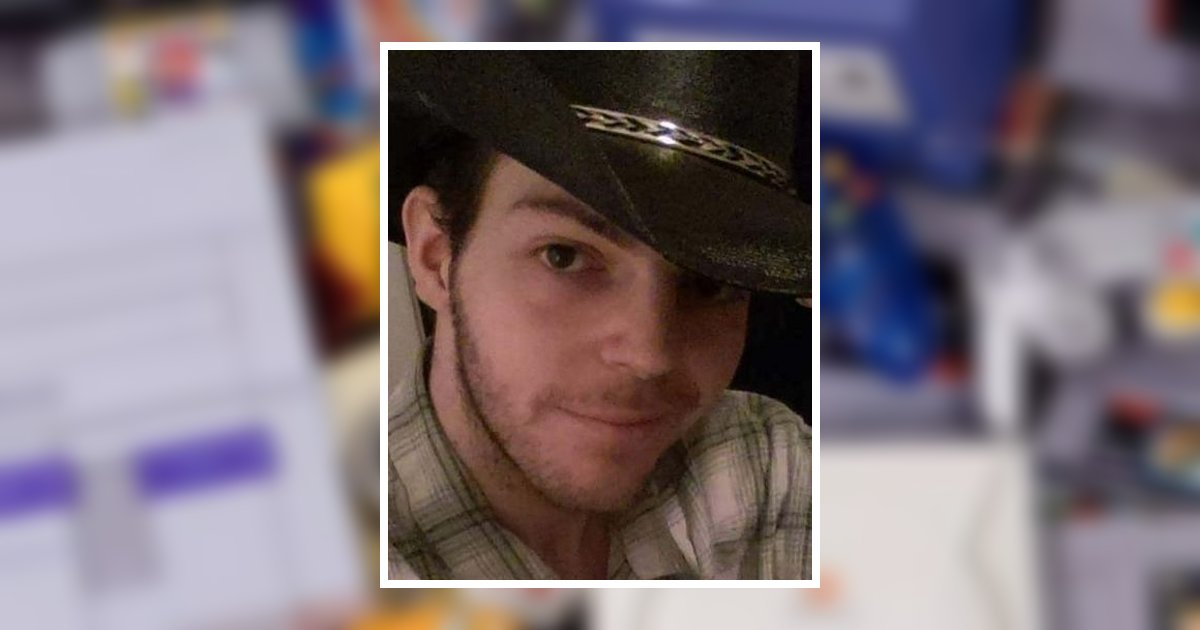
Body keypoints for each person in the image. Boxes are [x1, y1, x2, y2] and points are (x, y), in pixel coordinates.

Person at [387, 50, 813, 579]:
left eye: (712, 283)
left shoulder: (761, 460)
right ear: (435, 257)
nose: (649, 355)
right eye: (563, 256)